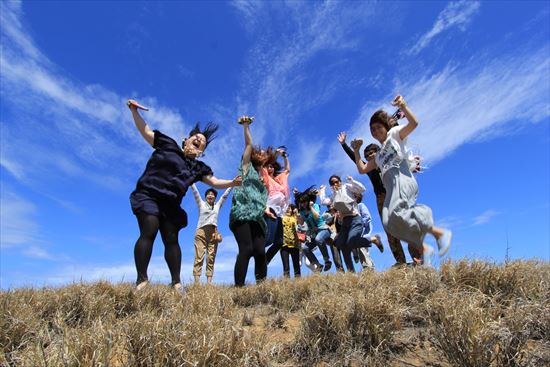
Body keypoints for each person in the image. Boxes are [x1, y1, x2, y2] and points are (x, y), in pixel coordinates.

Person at [127, 99, 241, 291]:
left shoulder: (198, 167)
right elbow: (145, 131)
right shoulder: (167, 145)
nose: (200, 141)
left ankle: (176, 283)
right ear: (185, 140)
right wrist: (134, 111)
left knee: (171, 239)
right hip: (149, 195)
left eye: (203, 143)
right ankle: (142, 280)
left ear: (202, 152)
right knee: (149, 230)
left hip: (171, 206)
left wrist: (232, 182)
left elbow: (213, 182)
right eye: (196, 138)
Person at [351, 95, 452, 266]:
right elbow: (362, 169)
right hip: (392, 189)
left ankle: (425, 244)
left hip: (403, 180)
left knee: (396, 214)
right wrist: (356, 150)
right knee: (388, 222)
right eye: (372, 130)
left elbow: (414, 123)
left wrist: (403, 106)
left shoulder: (395, 135)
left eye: (377, 127)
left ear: (385, 126)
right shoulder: (379, 155)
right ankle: (435, 237)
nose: (375, 132)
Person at [338, 131, 422, 265]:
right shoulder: (369, 169)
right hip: (382, 199)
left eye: (372, 152)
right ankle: (400, 261)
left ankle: (417, 257)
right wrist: (344, 145)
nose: (370, 155)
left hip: (398, 195)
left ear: (379, 152)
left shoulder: (389, 161)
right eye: (367, 155)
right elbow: (355, 158)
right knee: (390, 231)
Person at [229, 116, 269, 287]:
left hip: (258, 219)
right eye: (258, 154)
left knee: (260, 251)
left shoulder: (263, 180)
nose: (261, 155)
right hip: (242, 214)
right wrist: (246, 126)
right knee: (246, 249)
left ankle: (262, 287)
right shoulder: (246, 167)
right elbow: (248, 145)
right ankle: (239, 288)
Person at [319, 175, 383, 273]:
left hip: (355, 220)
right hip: (345, 223)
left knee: (351, 241)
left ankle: (373, 239)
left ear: (340, 181)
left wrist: (352, 181)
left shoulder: (347, 188)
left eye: (336, 181)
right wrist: (322, 190)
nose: (335, 184)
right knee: (341, 245)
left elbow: (362, 189)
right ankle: (351, 273)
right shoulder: (333, 196)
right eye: (332, 183)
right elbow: (324, 201)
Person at [190, 184, 232, 284]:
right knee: (199, 257)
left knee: (211, 258)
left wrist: (232, 185)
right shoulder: (201, 204)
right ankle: (197, 284)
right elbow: (195, 193)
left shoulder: (217, 206)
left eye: (212, 194)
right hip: (201, 232)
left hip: (213, 233)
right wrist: (191, 182)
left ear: (215, 197)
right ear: (205, 197)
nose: (210, 195)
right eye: (208, 194)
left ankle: (209, 283)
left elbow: (224, 196)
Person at [261, 147, 291, 266]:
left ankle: (265, 261)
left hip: (279, 213)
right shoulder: (265, 177)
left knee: (279, 242)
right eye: (268, 166)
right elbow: (262, 165)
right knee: (268, 239)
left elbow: (287, 170)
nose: (270, 168)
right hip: (270, 209)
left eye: (272, 166)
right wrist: (276, 154)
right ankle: (256, 252)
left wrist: (284, 156)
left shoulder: (279, 180)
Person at [296, 187, 333, 272]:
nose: (303, 204)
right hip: (313, 233)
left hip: (323, 229)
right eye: (302, 202)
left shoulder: (315, 206)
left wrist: (311, 207)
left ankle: (327, 260)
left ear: (308, 200)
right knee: (305, 248)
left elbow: (316, 216)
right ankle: (317, 264)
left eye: (305, 201)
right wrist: (297, 216)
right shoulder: (302, 211)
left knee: (318, 239)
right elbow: (301, 223)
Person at [280, 204, 301, 278]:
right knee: (286, 267)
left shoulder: (294, 217)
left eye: (290, 208)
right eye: (287, 208)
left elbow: (301, 224)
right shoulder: (281, 217)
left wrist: (297, 214)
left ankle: (298, 282)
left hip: (294, 244)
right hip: (284, 244)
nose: (288, 210)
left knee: (296, 266)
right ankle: (287, 283)